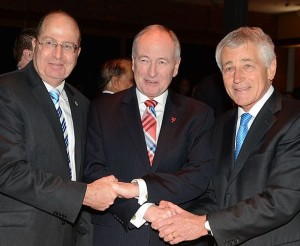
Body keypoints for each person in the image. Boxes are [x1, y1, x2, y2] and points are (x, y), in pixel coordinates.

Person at [152, 27, 300, 246]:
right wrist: (183, 217)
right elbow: (215, 193)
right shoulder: (222, 123)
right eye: (229, 68)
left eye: (247, 65)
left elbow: (283, 199)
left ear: (271, 69)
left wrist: (203, 224)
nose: (237, 77)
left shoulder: (294, 119)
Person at [0, 10, 126, 246]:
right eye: (50, 43)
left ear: (78, 53)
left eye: (68, 46)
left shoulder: (82, 104)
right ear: (36, 45)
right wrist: (84, 195)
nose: (58, 54)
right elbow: (7, 171)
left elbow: (80, 173)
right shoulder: (6, 90)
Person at [84, 24, 214, 246]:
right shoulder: (101, 109)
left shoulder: (198, 114)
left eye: (162, 62)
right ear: (133, 62)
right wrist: (144, 210)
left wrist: (140, 188)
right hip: (114, 237)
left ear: (176, 66)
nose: (152, 72)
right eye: (144, 60)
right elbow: (93, 172)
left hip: (174, 237)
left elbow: (198, 176)